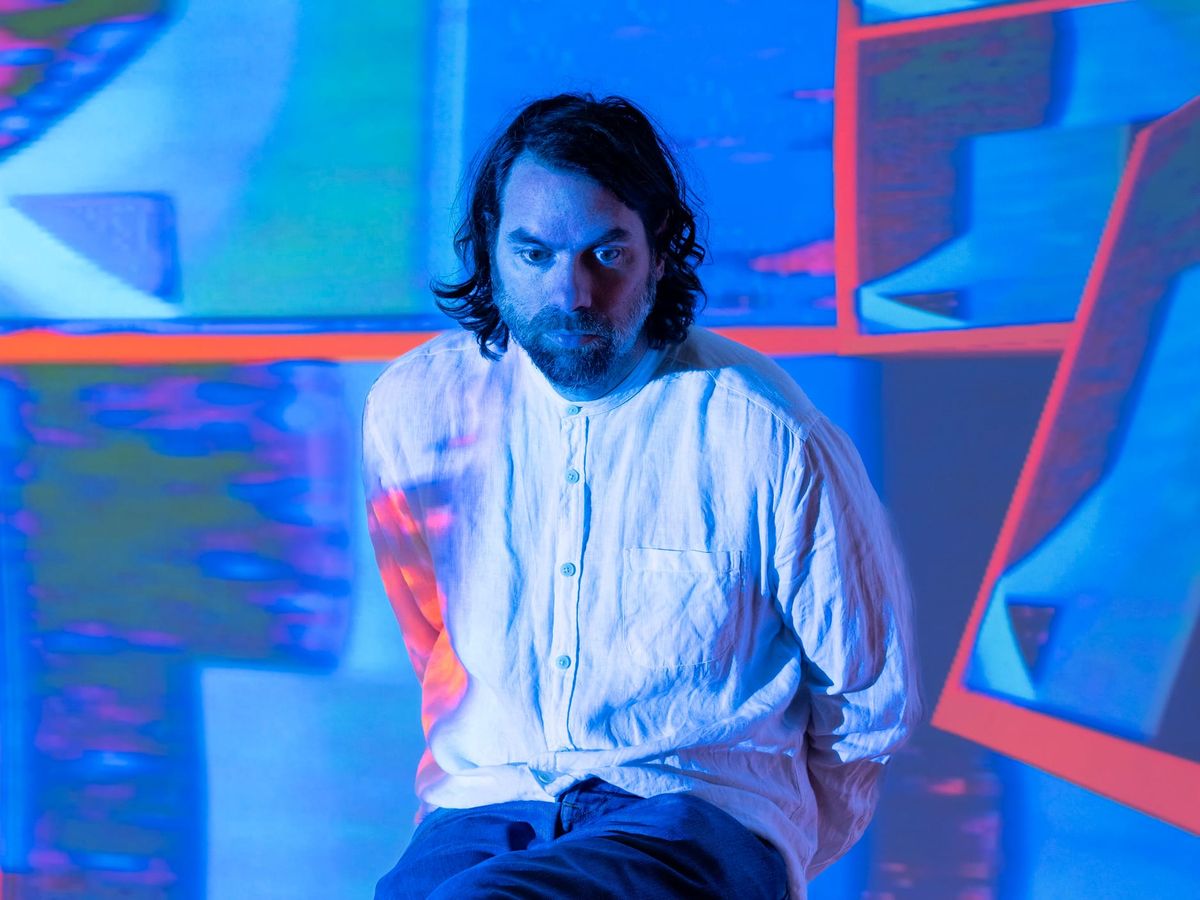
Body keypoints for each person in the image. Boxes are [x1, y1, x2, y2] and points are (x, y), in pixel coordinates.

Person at [362, 93, 920, 900]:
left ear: (660, 252)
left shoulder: (763, 430)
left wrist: (770, 848)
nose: (573, 292)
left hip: (689, 811)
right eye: (534, 254)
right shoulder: (415, 411)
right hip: (483, 805)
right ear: (489, 250)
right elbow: (431, 634)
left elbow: (865, 697)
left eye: (606, 254)